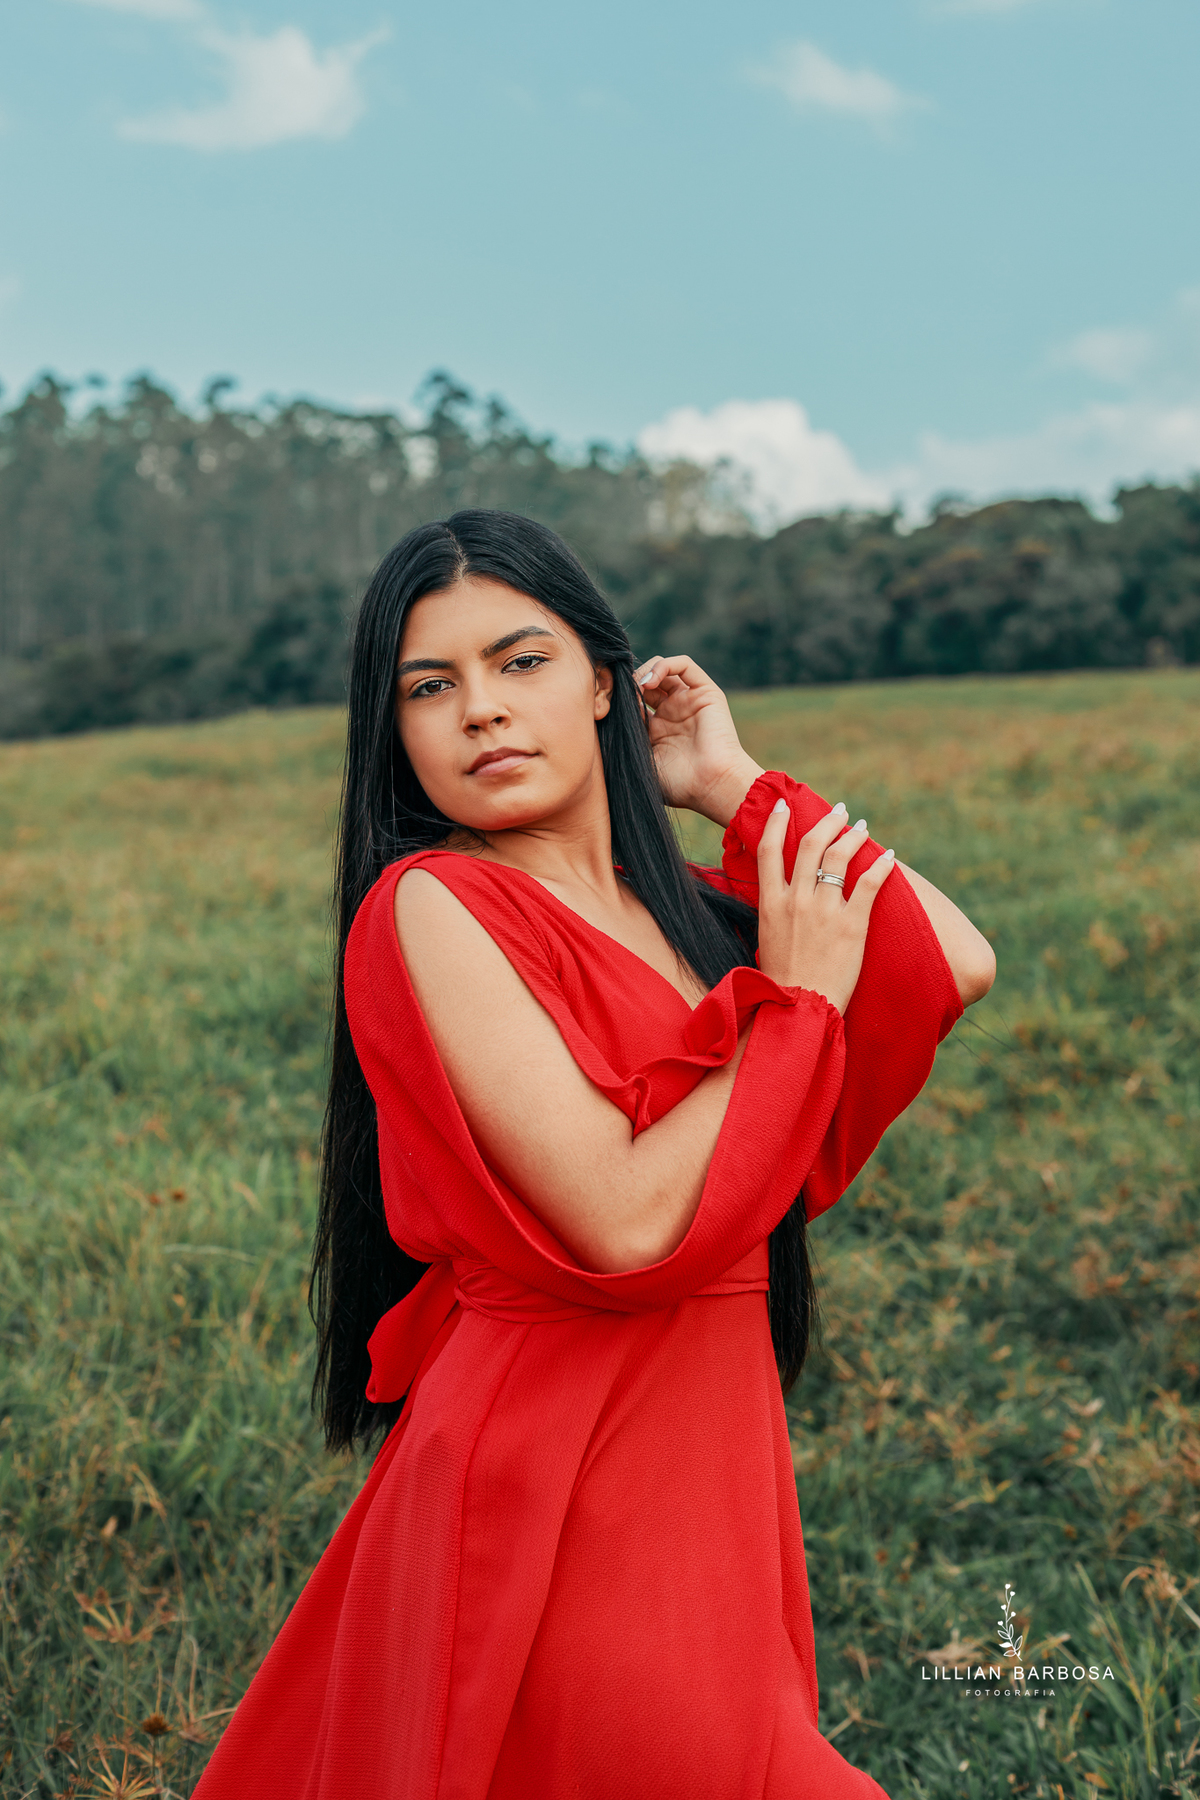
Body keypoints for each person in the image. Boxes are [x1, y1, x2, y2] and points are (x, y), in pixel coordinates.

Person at [193, 509, 995, 1800]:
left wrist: (732, 785)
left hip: (708, 1471)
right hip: (554, 1474)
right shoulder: (436, 906)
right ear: (393, 731)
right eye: (430, 687)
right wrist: (796, 1011)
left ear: (606, 687)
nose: (481, 713)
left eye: (522, 663)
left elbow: (952, 958)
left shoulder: (685, 908)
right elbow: (622, 1220)